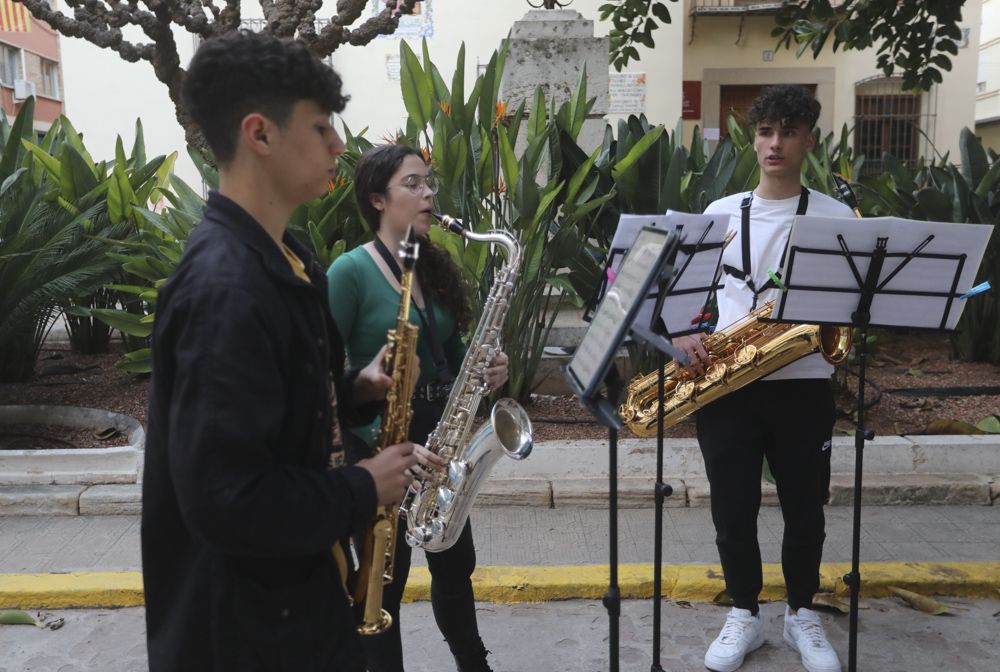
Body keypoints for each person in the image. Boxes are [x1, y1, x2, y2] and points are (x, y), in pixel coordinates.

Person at [142, 31, 419, 672]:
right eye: (322, 128)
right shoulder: (222, 290)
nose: (339, 146)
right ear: (260, 134)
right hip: (245, 636)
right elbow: (225, 500)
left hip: (296, 608)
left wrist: (353, 391)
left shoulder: (288, 258)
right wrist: (360, 488)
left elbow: (275, 410)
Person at [673, 85, 852, 672]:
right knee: (732, 507)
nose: (775, 143)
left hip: (804, 383)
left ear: (809, 139)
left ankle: (801, 613)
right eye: (765, 131)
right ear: (754, 138)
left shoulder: (834, 215)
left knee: (806, 507)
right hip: (729, 383)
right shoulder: (719, 213)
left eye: (788, 132)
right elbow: (683, 301)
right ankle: (745, 614)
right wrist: (682, 334)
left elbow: (854, 303)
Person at [326, 143, 508, 672]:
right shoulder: (349, 272)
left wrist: (493, 372)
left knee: (455, 569)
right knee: (383, 586)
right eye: (413, 184)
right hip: (382, 445)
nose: (428, 192)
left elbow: (453, 360)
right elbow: (320, 376)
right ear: (377, 199)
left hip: (440, 445)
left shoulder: (434, 268)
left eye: (429, 182)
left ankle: (475, 665)